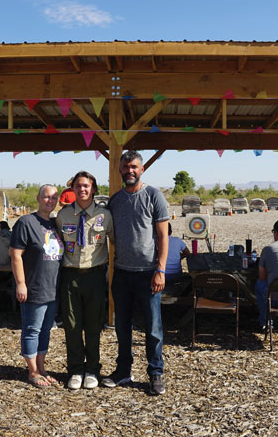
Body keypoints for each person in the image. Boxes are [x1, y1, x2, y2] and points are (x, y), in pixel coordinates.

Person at [104, 150, 169, 396]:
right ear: (120, 170)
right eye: (126, 167)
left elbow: (163, 236)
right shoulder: (116, 200)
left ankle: (155, 373)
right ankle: (123, 370)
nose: (130, 170)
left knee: (153, 328)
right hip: (121, 273)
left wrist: (160, 270)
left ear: (141, 170)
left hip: (148, 273)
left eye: (134, 167)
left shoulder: (153, 196)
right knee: (122, 326)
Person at [56, 171, 114, 390]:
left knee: (93, 325)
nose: (82, 189)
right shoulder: (63, 216)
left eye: (86, 186)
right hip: (70, 276)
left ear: (93, 189)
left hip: (95, 275)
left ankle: (92, 369)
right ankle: (75, 370)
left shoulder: (105, 216)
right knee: (71, 326)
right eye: (78, 186)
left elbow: (115, 243)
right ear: (73, 189)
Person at [9, 184, 64, 389]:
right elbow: (15, 254)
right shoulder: (26, 222)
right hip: (34, 287)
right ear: (38, 198)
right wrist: (21, 283)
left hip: (53, 288)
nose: (50, 201)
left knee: (46, 330)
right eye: (46, 197)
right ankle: (32, 371)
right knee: (32, 329)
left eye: (54, 198)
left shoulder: (55, 224)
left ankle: (41, 367)